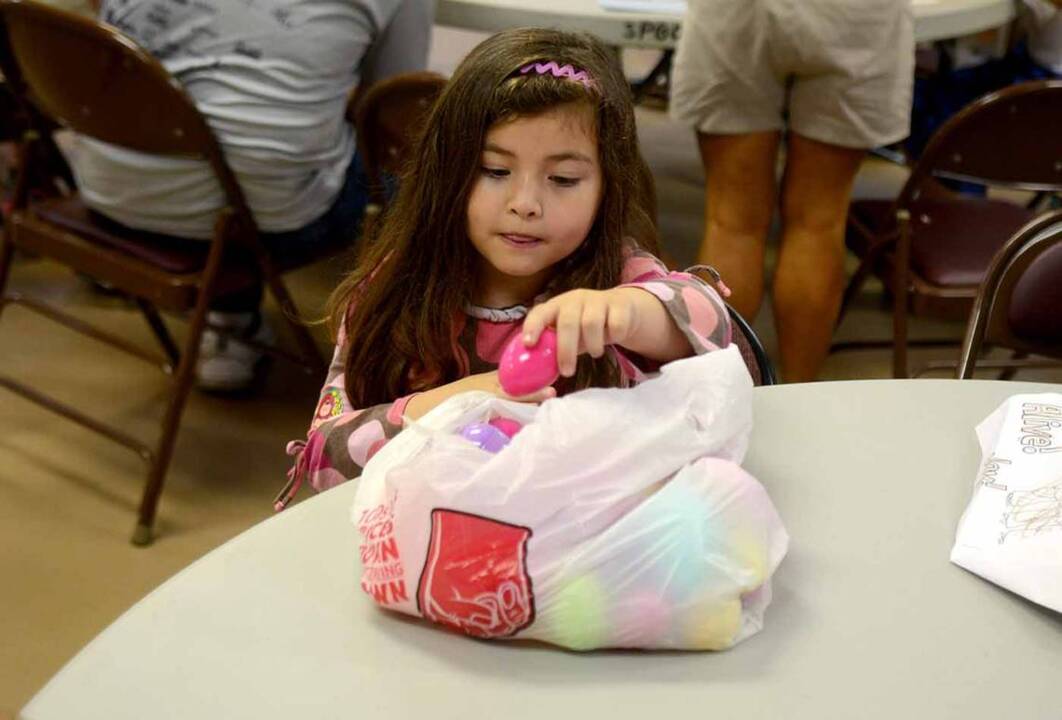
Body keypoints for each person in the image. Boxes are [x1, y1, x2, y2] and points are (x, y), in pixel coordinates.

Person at [275, 27, 733, 507]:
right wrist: (457, 404)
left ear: (607, 188)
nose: (526, 203)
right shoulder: (395, 289)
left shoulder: (616, 276)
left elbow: (712, 323)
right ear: (448, 170)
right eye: (495, 171)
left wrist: (629, 312)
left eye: (563, 179)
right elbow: (326, 457)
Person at [62, 0, 433, 391]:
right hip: (263, 224)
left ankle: (228, 317)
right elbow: (391, 109)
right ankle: (406, 355)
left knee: (235, 139)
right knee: (405, 171)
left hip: (107, 188)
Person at [670, 0, 914, 382]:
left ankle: (713, 392)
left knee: (732, 222)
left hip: (739, 12)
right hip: (855, 15)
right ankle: (800, 394)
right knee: (818, 221)